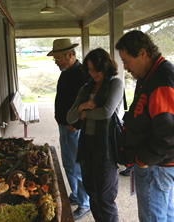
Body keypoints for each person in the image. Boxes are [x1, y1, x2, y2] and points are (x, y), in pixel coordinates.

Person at [115, 30, 174, 222]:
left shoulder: (161, 80)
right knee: (164, 215)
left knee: (153, 218)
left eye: (126, 61)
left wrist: (142, 160)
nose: (125, 67)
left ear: (142, 53)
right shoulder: (149, 76)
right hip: (155, 165)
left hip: (156, 167)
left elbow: (168, 135)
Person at [67, 48, 124, 222]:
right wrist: (81, 107)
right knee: (92, 193)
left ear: (106, 66)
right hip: (87, 146)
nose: (93, 73)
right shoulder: (85, 89)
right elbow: (69, 117)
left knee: (105, 197)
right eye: (90, 69)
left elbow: (106, 112)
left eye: (96, 69)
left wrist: (84, 115)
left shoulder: (115, 84)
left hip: (106, 148)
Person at [47, 39, 90, 220]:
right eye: (55, 59)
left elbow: (87, 106)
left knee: (78, 167)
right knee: (67, 165)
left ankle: (85, 203)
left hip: (74, 129)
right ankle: (75, 194)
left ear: (70, 55)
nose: (56, 62)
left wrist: (76, 126)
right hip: (64, 126)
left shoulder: (82, 75)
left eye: (58, 58)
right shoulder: (65, 72)